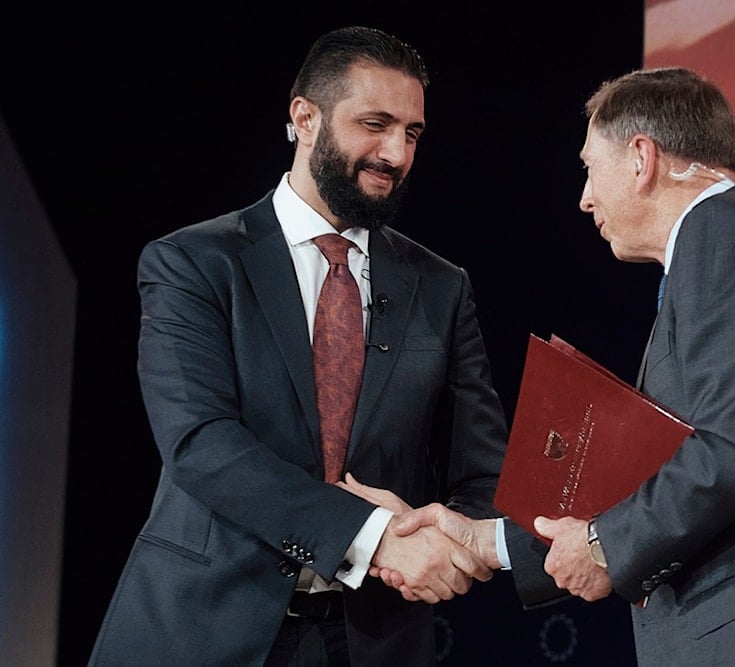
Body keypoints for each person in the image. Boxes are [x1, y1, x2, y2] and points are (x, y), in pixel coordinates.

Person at [364, 66, 735, 665]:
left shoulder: (727, 234)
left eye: (590, 168)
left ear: (641, 158)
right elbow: (668, 469)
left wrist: (603, 546)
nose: (584, 198)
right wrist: (486, 540)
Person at [88, 26, 511, 667]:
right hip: (202, 627)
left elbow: (481, 472)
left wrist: (455, 540)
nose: (396, 153)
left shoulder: (441, 288)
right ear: (305, 118)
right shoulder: (194, 263)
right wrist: (374, 537)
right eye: (375, 124)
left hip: (372, 641)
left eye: (413, 133)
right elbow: (201, 443)